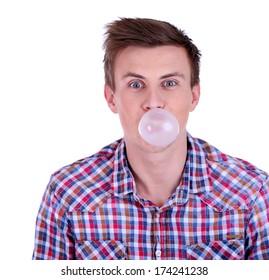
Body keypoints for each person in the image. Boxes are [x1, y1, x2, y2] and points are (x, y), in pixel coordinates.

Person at [32, 17, 269, 260]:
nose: (153, 102)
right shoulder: (68, 192)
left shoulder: (251, 193)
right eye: (136, 84)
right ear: (112, 98)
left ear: (194, 96)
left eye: (169, 83)